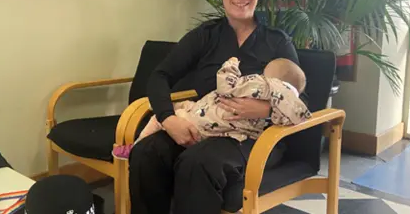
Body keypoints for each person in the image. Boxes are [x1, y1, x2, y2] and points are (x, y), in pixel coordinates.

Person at [128, 0, 303, 214]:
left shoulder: (277, 41)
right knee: (145, 153)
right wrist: (168, 119)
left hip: (253, 136)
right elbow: (159, 76)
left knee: (197, 163)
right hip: (202, 124)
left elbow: (299, 100)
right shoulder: (205, 36)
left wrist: (264, 110)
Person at [113, 57, 310, 159]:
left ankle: (135, 146)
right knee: (176, 115)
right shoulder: (290, 101)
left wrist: (230, 66)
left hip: (209, 120)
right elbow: (301, 114)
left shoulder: (261, 84)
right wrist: (272, 110)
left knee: (160, 118)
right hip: (227, 127)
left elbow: (226, 86)